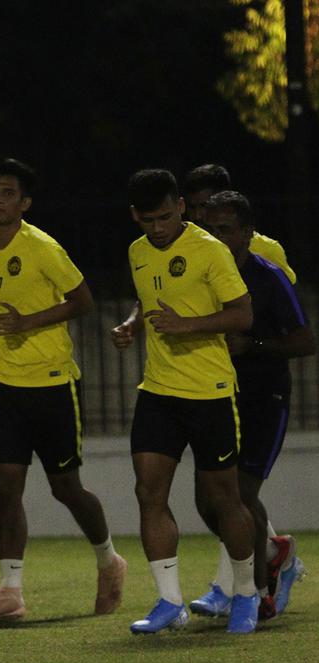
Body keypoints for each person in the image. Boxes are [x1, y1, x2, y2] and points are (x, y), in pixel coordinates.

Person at [0, 159, 126, 620]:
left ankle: (109, 560)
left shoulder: (43, 247)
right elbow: (3, 307)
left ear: (25, 203)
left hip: (54, 383)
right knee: (6, 488)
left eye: (9, 193)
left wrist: (29, 322)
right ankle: (11, 591)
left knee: (66, 488)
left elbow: (83, 301)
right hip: (7, 385)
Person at [110, 169, 258, 634]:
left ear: (180, 206)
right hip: (158, 391)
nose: (157, 228)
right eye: (147, 220)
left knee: (225, 499)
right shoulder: (137, 251)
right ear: (135, 216)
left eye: (165, 217)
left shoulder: (209, 250)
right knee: (148, 493)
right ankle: (169, 601)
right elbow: (148, 298)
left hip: (209, 392)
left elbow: (243, 314)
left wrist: (186, 325)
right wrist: (135, 324)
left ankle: (247, 593)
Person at [188, 191, 313, 621]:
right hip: (218, 395)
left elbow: (304, 340)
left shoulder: (268, 276)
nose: (216, 237)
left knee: (239, 493)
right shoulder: (203, 274)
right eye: (210, 229)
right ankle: (272, 555)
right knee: (207, 501)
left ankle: (256, 592)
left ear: (246, 233)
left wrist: (254, 345)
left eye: (225, 229)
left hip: (265, 398)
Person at [182, 164, 296, 282]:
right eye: (192, 207)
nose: (197, 215)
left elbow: (286, 295)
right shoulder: (182, 248)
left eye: (204, 206)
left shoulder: (266, 249)